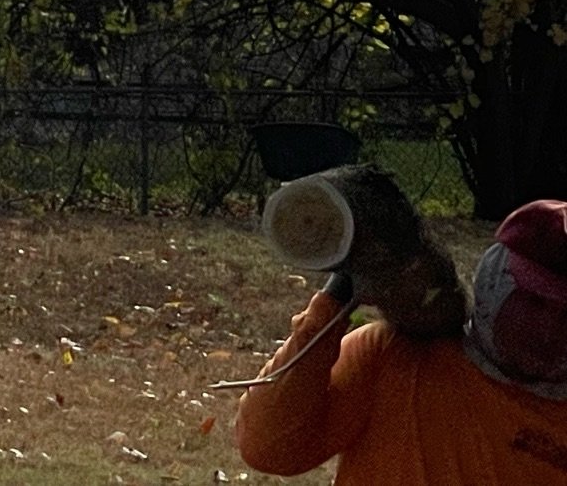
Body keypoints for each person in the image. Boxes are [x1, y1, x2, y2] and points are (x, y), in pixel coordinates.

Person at [240, 199, 567, 486]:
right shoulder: (393, 354)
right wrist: (335, 300)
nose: (549, 328)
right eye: (534, 303)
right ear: (495, 282)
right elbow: (269, 448)